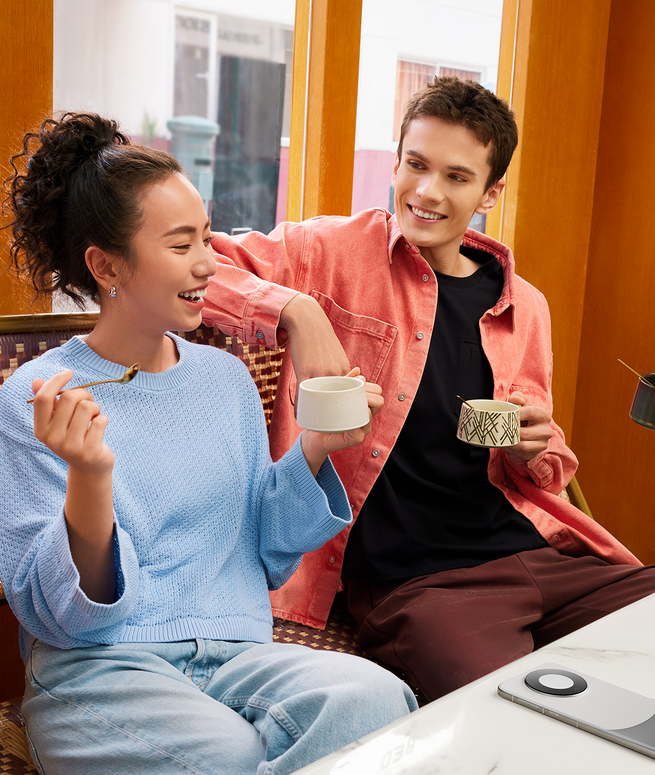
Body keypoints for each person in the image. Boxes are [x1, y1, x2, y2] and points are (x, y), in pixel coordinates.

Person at [0, 112, 417, 775]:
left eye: (207, 239)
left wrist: (315, 449)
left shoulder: (225, 380)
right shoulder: (38, 398)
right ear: (107, 267)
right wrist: (90, 476)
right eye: (181, 244)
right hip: (103, 675)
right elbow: (68, 620)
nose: (208, 265)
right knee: (279, 772)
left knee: (379, 701)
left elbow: (264, 554)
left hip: (239, 656)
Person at [204, 76, 655, 703]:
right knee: (502, 709)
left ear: (491, 192)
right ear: (395, 163)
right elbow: (194, 268)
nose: (427, 191)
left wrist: (533, 445)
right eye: (416, 165)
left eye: (456, 176)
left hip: (547, 558)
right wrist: (298, 312)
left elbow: (548, 471)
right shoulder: (327, 252)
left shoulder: (524, 306)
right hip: (422, 586)